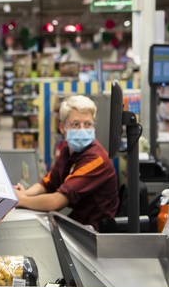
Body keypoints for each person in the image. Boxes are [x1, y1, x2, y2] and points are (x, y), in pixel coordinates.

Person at [13, 95, 118, 231]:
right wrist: (25, 193)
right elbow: (47, 184)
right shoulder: (68, 151)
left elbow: (57, 201)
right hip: (78, 223)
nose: (82, 129)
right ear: (62, 128)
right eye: (75, 124)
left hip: (95, 233)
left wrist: (21, 200)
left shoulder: (96, 159)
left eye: (88, 124)